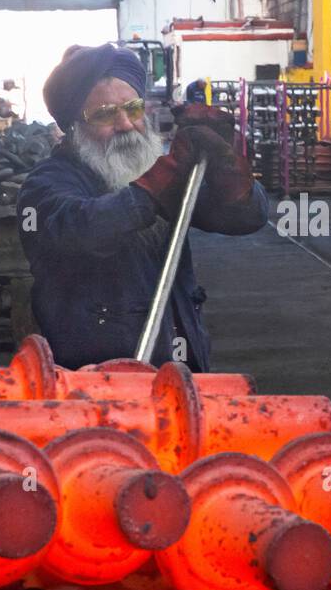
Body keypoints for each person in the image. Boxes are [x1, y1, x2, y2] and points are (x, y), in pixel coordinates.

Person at [17, 44, 267, 371]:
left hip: (181, 367)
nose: (124, 124)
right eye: (105, 114)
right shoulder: (47, 185)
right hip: (95, 380)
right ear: (73, 126)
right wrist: (151, 191)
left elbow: (249, 217)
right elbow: (81, 230)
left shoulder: (152, 166)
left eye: (133, 108)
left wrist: (225, 166)